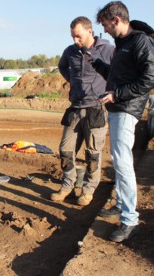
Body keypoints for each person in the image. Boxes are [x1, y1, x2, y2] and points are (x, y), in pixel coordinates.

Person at [95, 1, 154, 242]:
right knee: (119, 159)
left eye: (106, 25)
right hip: (118, 106)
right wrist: (98, 65)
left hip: (127, 108)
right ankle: (121, 204)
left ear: (117, 19)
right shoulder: (123, 45)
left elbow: (150, 78)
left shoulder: (140, 42)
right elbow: (119, 76)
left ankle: (130, 220)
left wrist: (117, 94)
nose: (105, 30)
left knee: (122, 161)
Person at [51, 16, 114, 206]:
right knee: (65, 150)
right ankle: (67, 186)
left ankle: (88, 190)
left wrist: (111, 89)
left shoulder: (107, 49)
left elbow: (118, 71)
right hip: (76, 107)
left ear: (90, 32)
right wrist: (73, 81)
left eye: (78, 37)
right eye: (73, 37)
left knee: (93, 154)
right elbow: (62, 66)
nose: (75, 41)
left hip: (96, 108)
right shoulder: (70, 51)